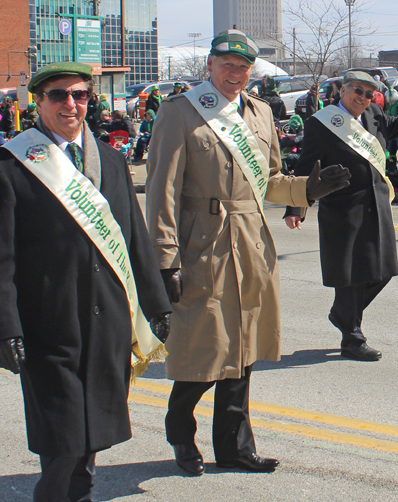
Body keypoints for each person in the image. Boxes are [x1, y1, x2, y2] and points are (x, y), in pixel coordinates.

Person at [0, 61, 172, 502]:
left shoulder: (109, 159)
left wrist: (157, 307)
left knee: (95, 423)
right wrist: (1, 325)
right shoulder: (9, 165)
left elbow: (134, 243)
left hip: (107, 319)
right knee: (62, 429)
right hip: (47, 321)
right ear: (37, 103)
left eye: (80, 96)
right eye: (58, 95)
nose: (70, 105)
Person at [145, 30, 350, 476]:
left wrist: (307, 189)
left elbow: (270, 180)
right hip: (204, 244)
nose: (235, 74)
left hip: (252, 242)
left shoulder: (258, 113)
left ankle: (235, 445)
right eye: (227, 65)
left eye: (243, 67)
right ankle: (181, 431)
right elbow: (161, 192)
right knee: (204, 348)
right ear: (210, 66)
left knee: (244, 349)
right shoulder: (180, 113)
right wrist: (165, 258)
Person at [284, 64, 398, 361]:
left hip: (377, 207)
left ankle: (342, 315)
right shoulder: (322, 123)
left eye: (368, 94)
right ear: (343, 89)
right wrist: (295, 207)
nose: (363, 97)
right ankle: (352, 337)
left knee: (383, 270)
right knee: (351, 276)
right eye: (357, 91)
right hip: (343, 211)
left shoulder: (374, 116)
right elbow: (305, 169)